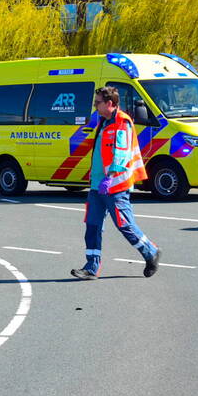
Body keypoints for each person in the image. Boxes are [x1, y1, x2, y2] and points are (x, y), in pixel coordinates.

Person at [71, 86, 161, 280]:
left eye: (98, 103)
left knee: (125, 225)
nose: (95, 106)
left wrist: (110, 176)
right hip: (97, 185)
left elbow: (121, 153)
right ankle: (91, 267)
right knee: (92, 226)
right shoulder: (103, 121)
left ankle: (151, 252)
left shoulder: (122, 123)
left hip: (115, 185)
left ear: (110, 103)